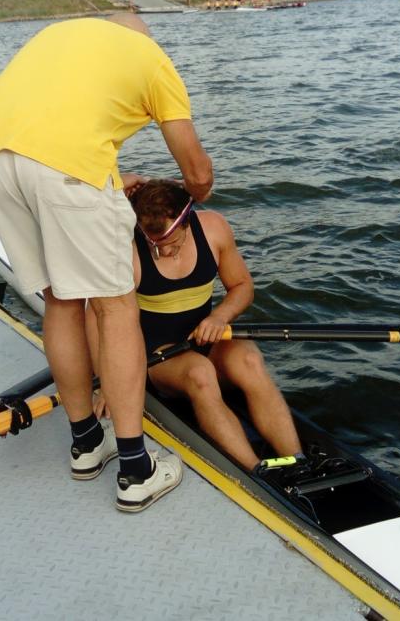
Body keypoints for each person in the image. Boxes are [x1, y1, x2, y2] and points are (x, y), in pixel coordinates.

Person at [0, 15, 213, 513]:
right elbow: (196, 171)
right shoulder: (150, 57)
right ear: (143, 38)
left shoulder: (61, 35)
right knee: (115, 308)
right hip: (63, 168)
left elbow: (58, 125)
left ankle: (88, 443)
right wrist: (188, 198)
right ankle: (136, 470)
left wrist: (110, 179)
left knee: (60, 299)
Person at [89, 180, 304, 471]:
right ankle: (258, 473)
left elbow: (242, 286)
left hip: (205, 338)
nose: (164, 251)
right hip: (158, 355)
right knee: (201, 374)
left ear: (187, 220)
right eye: (155, 244)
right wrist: (106, 382)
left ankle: (297, 461)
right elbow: (96, 317)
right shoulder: (126, 250)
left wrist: (219, 317)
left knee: (250, 360)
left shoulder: (213, 228)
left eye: (171, 242)